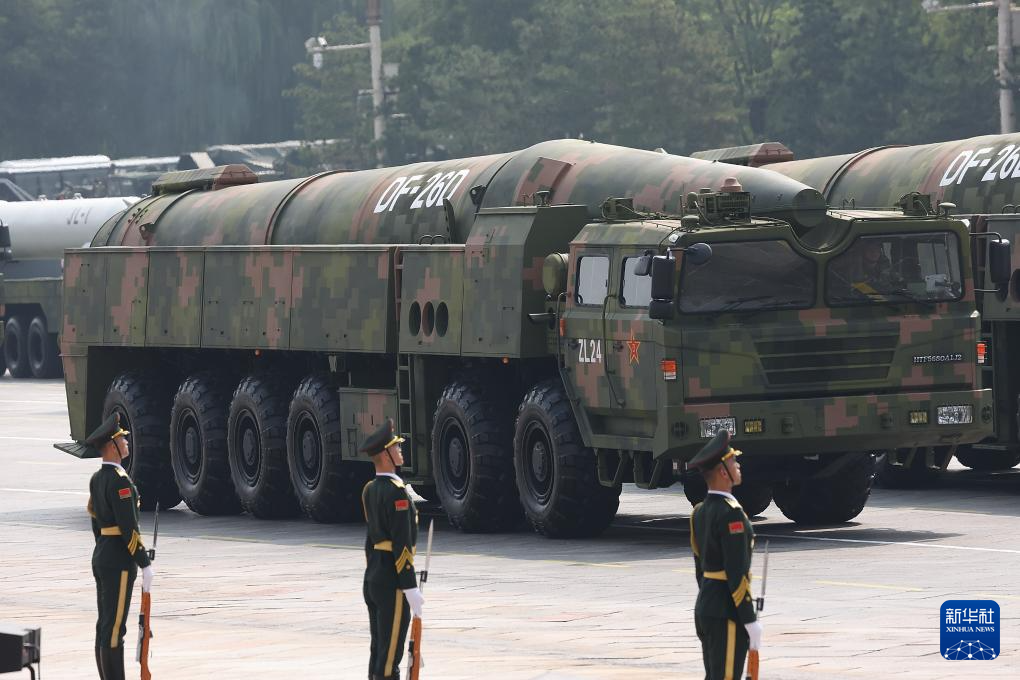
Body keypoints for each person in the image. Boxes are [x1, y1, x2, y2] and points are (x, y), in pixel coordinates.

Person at [688, 430, 762, 680]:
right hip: (726, 612)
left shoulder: (699, 512)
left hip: (706, 606)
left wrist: (709, 599)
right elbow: (736, 573)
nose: (738, 465)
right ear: (722, 472)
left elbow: (700, 570)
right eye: (733, 461)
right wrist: (749, 619)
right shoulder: (731, 514)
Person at [85, 413, 153, 680]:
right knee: (115, 628)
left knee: (105, 624)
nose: (126, 441)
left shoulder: (97, 479)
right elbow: (128, 528)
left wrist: (104, 548)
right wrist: (143, 561)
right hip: (118, 560)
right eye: (122, 438)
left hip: (103, 554)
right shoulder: (119, 480)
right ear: (112, 446)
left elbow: (95, 522)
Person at [359, 418, 423, 680]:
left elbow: (370, 542)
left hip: (373, 578)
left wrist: (373, 572)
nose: (400, 450)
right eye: (396, 447)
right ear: (385, 455)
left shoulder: (369, 490)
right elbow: (402, 544)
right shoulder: (397, 493)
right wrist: (410, 587)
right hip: (392, 582)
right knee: (390, 657)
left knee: (379, 649)